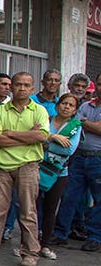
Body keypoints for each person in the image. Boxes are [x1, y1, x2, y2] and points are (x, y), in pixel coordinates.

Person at [0, 72, 50, 266]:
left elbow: (41, 137)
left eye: (26, 85)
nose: (22, 88)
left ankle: (30, 253)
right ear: (11, 87)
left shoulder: (39, 110)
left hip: (28, 166)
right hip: (1, 166)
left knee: (28, 211)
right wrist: (28, 135)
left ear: (32, 89)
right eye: (18, 85)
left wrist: (11, 134)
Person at [52, 73, 101, 253]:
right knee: (70, 196)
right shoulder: (87, 105)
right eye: (100, 84)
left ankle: (95, 236)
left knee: (98, 199)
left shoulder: (84, 111)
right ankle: (60, 233)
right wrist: (88, 124)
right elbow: (73, 123)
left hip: (98, 158)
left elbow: (96, 128)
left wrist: (84, 122)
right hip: (79, 157)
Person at [34, 94, 81, 257]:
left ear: (75, 110)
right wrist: (53, 137)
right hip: (37, 169)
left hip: (59, 172)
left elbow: (68, 150)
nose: (66, 107)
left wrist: (45, 143)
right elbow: (34, 138)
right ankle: (29, 244)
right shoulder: (45, 120)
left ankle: (45, 245)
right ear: (58, 105)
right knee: (32, 208)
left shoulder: (75, 126)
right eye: (64, 103)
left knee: (50, 208)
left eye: (71, 105)